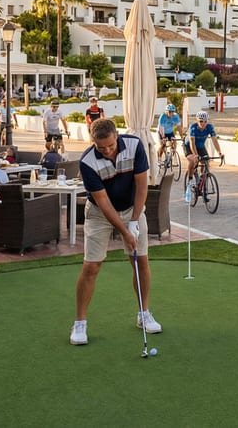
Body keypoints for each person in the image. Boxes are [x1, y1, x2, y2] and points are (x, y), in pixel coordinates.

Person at [71, 118, 158, 345]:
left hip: (133, 209)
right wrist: (124, 231)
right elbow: (104, 202)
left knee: (140, 261)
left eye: (110, 145)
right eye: (101, 147)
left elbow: (142, 186)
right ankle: (80, 323)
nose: (107, 150)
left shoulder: (135, 145)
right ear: (93, 143)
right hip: (100, 213)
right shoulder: (87, 162)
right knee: (92, 265)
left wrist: (134, 221)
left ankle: (144, 314)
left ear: (116, 136)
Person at [184, 111, 223, 176]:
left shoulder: (209, 127)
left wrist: (220, 153)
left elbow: (215, 141)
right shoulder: (193, 127)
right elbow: (192, 143)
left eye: (205, 121)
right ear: (197, 121)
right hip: (189, 146)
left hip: (200, 146)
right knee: (192, 161)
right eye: (201, 121)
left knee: (206, 162)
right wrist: (196, 155)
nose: (203, 123)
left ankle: (201, 176)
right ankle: (190, 181)